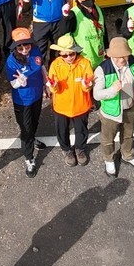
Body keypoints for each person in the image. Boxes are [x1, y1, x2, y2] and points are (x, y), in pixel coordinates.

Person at [93, 37, 134, 177]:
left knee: (128, 135)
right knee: (108, 138)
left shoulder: (133, 60)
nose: (122, 60)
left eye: (125, 55)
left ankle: (127, 155)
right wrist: (112, 90)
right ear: (110, 55)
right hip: (111, 112)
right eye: (118, 57)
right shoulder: (102, 69)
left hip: (130, 107)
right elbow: (97, 95)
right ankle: (109, 159)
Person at [47, 34, 94, 167]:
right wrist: (54, 86)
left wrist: (87, 86)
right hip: (61, 106)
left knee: (81, 130)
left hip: (81, 105)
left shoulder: (85, 63)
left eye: (71, 54)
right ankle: (67, 150)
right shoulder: (55, 65)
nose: (69, 58)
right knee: (62, 130)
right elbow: (53, 89)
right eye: (65, 55)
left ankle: (80, 149)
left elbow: (88, 85)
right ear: (59, 54)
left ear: (75, 51)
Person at [5, 27, 46, 178]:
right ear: (15, 47)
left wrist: (46, 84)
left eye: (26, 45)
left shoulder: (35, 51)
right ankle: (29, 158)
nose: (24, 49)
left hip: (37, 95)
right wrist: (19, 82)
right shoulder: (11, 62)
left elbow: (41, 66)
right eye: (20, 46)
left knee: (34, 122)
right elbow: (12, 84)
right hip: (23, 101)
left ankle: (33, 138)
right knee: (26, 129)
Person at [69, 0, 107, 70]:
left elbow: (105, 31)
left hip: (100, 56)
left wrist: (107, 48)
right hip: (83, 60)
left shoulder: (98, 9)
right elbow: (67, 36)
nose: (90, 1)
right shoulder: (73, 14)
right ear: (79, 0)